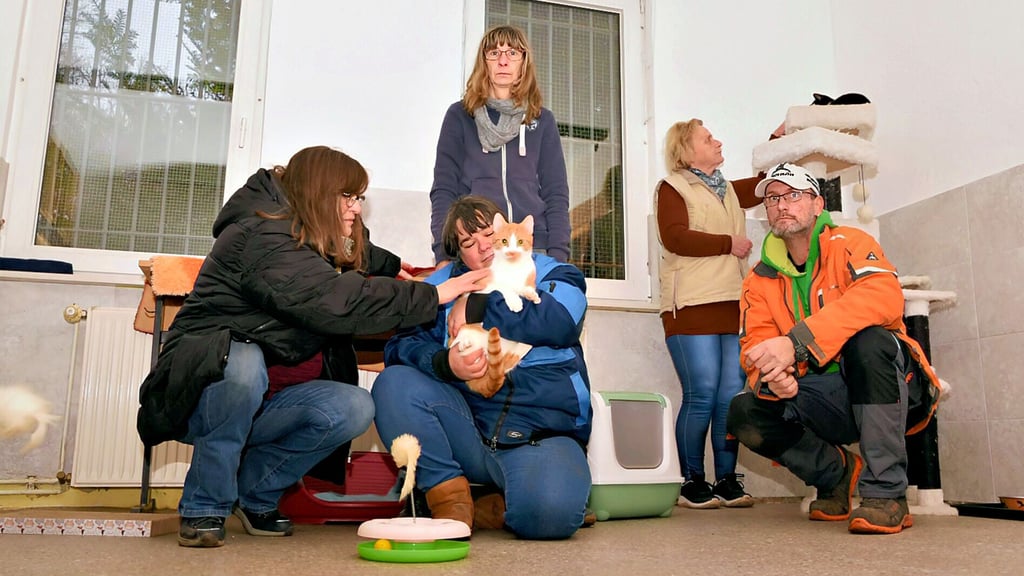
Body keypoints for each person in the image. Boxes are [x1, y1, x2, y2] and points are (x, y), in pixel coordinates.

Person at [136, 146, 489, 548]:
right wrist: (436, 295)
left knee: (354, 405)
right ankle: (205, 507)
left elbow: (356, 252)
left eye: (360, 198)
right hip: (203, 388)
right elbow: (335, 298)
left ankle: (256, 496)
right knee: (244, 363)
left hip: (266, 401)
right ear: (321, 194)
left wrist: (395, 267)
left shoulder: (311, 229)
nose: (356, 207)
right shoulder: (261, 234)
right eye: (349, 197)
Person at [727, 162, 942, 534]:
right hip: (827, 399)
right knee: (743, 410)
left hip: (895, 387)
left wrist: (795, 344)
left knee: (869, 341)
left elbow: (883, 299)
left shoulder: (852, 243)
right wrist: (772, 379)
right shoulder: (758, 278)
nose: (781, 204)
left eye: (793, 195)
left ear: (817, 204)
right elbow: (756, 347)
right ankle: (836, 474)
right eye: (773, 198)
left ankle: (887, 494)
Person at [371, 196, 591, 540]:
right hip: (467, 428)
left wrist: (477, 299)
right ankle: (448, 497)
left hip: (540, 433)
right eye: (469, 243)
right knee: (393, 383)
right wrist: (446, 364)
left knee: (550, 517)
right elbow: (399, 346)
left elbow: (559, 322)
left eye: (490, 233)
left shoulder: (557, 273)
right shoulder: (440, 285)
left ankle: (494, 504)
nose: (484, 247)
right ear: (459, 255)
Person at [655, 119, 762, 509]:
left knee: (729, 397)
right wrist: (727, 243)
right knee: (701, 394)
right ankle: (691, 481)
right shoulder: (673, 187)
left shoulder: (728, 190)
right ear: (686, 150)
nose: (717, 141)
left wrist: (780, 142)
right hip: (691, 306)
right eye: (707, 138)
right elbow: (674, 236)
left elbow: (767, 183)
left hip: (732, 304)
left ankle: (727, 481)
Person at [429, 25, 570, 266]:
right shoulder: (460, 116)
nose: (503, 61)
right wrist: (444, 254)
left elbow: (556, 193)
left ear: (523, 63)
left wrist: (558, 257)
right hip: (479, 251)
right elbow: (444, 189)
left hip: (533, 250)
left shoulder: (542, 120)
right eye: (494, 53)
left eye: (512, 53)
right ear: (484, 62)